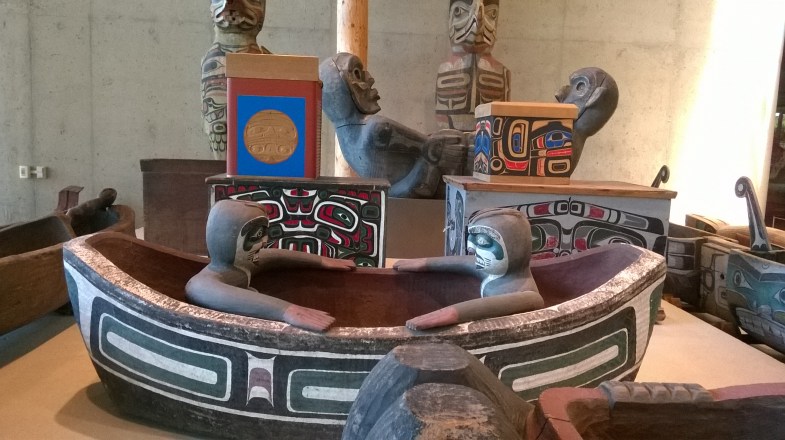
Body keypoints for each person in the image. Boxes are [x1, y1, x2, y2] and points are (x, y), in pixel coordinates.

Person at [186, 199, 355, 331]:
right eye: (257, 235)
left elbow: (274, 255)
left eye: (264, 234)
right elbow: (210, 292)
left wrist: (320, 261)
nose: (264, 241)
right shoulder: (203, 283)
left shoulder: (244, 264)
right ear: (226, 239)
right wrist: (286, 310)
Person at [320, 52, 472, 198]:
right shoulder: (376, 129)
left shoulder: (348, 146)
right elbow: (433, 152)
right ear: (340, 87)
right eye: (357, 73)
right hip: (464, 167)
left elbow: (392, 190)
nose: (370, 79)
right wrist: (432, 155)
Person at [394, 208, 543, 330]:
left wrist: (452, 313)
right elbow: (465, 261)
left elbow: (491, 306)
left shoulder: (528, 295)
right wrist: (426, 263)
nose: (471, 248)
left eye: (482, 241)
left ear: (517, 249)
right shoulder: (491, 272)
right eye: (471, 239)